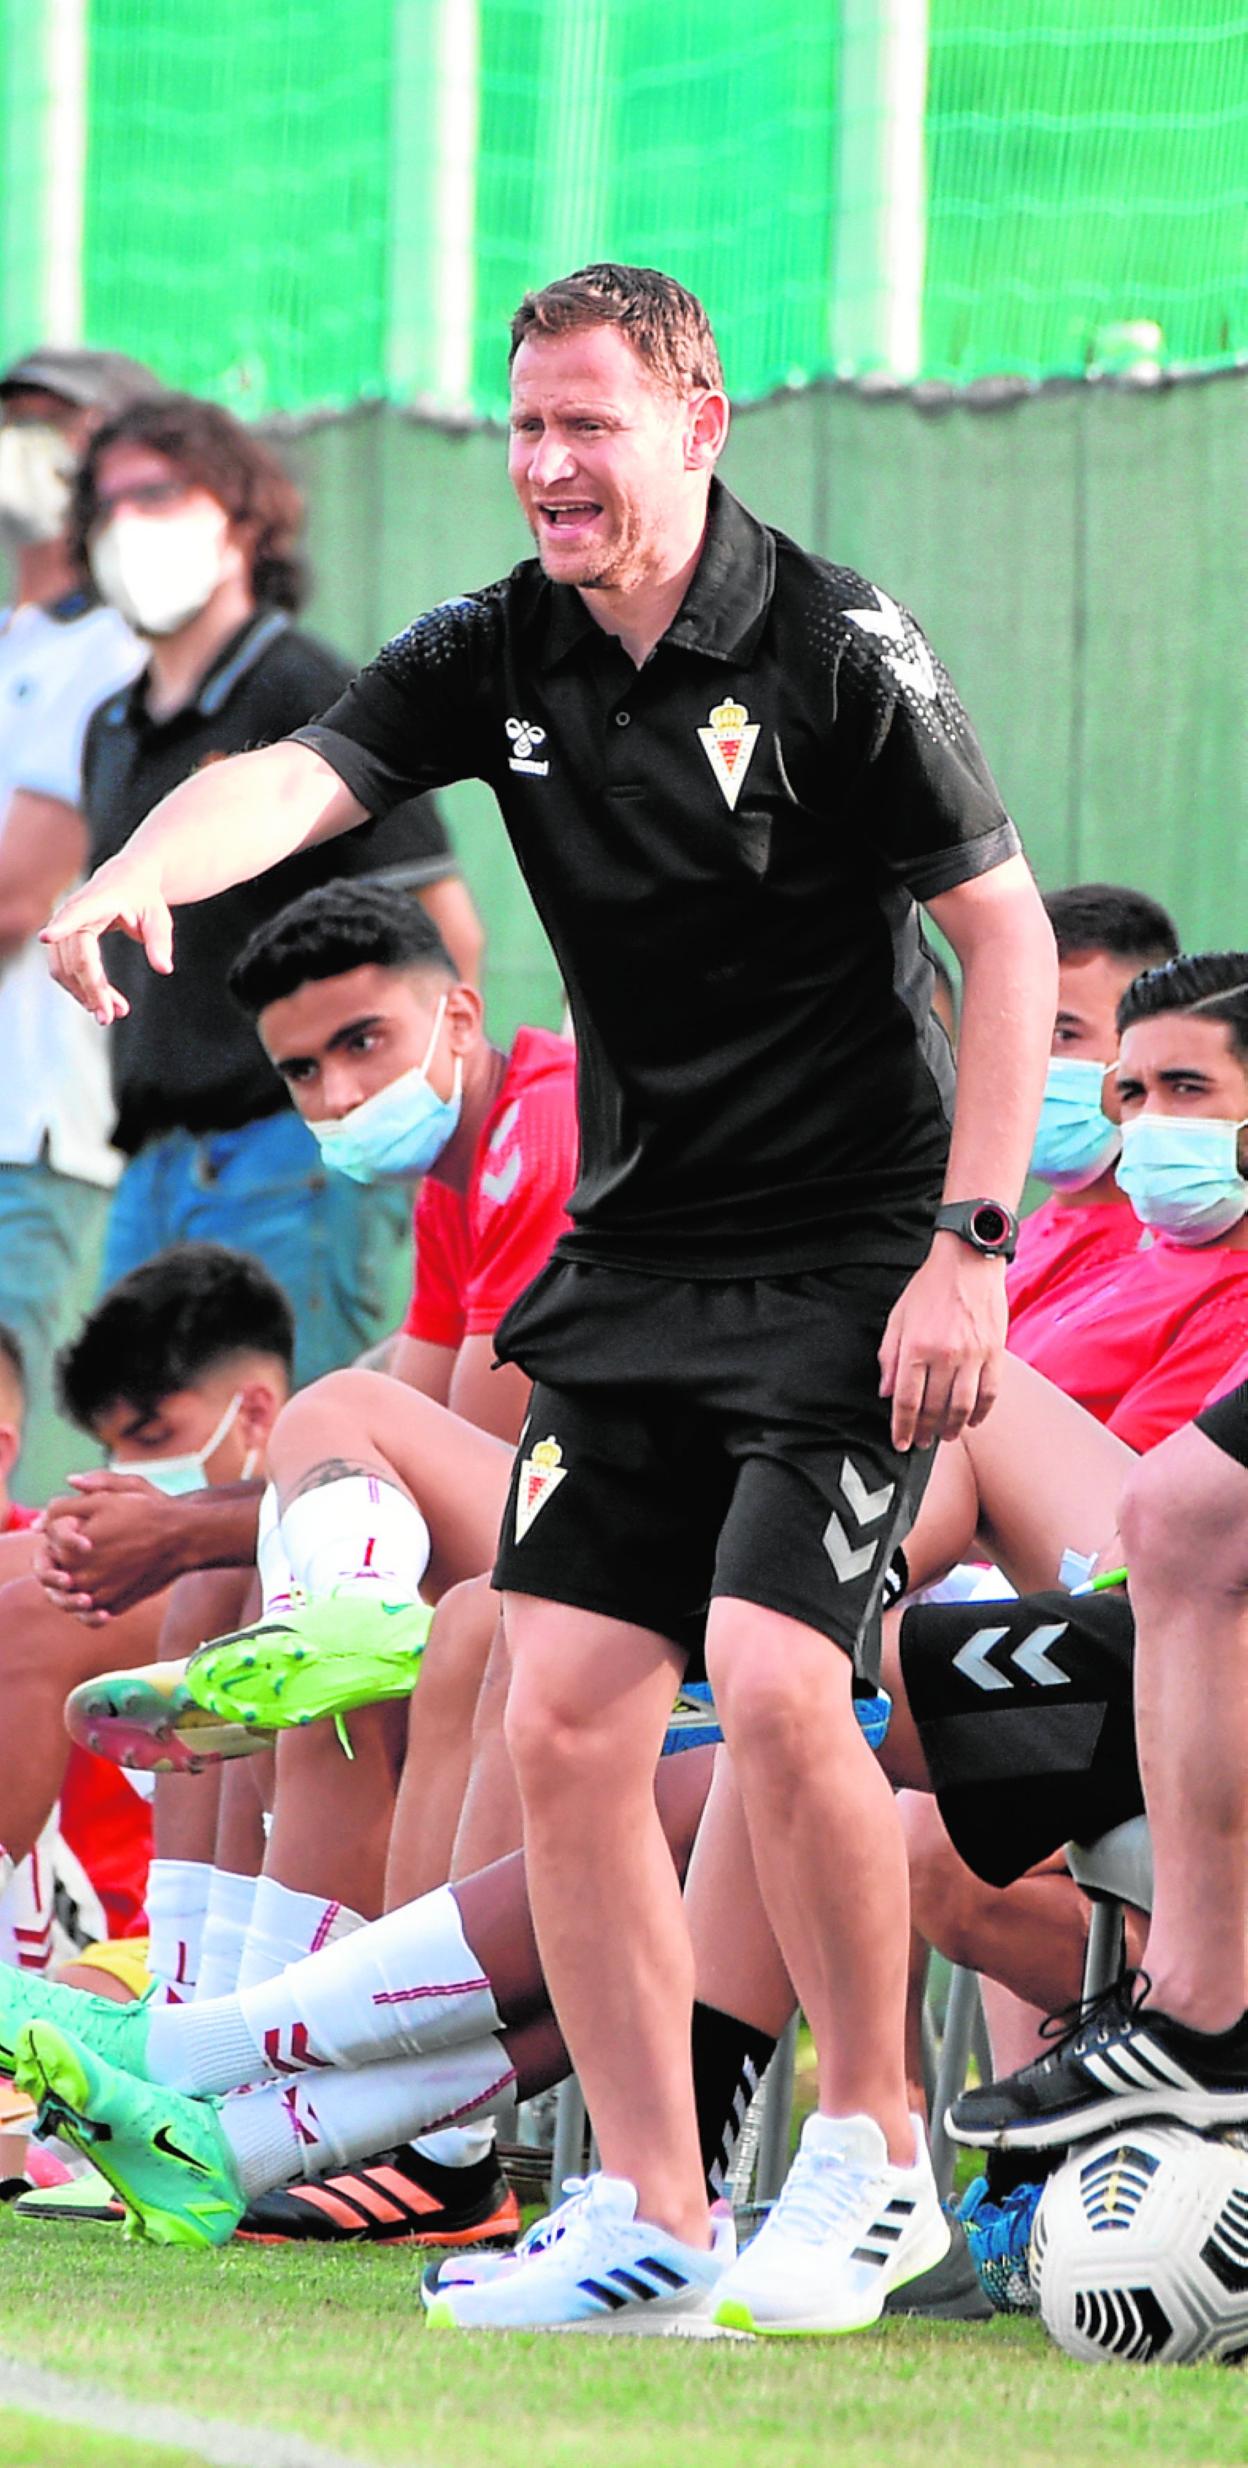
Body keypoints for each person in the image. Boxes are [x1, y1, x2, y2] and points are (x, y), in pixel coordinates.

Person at [40, 261, 1057, 2336]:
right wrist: (142, 864)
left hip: (856, 1256)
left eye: (587, 422)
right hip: (636, 1272)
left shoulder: (837, 642)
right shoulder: (500, 643)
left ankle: (871, 2150)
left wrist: (971, 1250)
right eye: (524, 426)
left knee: (779, 1682)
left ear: (697, 422)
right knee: (575, 1714)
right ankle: (657, 2220)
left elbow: (1013, 942)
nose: (548, 463)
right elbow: (303, 778)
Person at [70, 390, 480, 1385]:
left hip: (289, 1155)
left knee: (299, 1457)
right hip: (155, 1158)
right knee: (153, 1462)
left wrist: (374, 1139)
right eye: (105, 503)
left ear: (244, 516)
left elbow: (444, 932)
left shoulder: (306, 692)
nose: (128, 524)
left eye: (159, 493)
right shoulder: (110, 728)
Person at [0, 345, 162, 1498]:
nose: (22, 440)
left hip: (40, 1130)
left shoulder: (113, 649)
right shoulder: (20, 641)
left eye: (53, 421)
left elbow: (21, 891)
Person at [1006, 952, 1248, 1451]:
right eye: (1133, 1093)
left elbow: (1121, 1502)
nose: (1149, 1118)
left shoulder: (1235, 1299)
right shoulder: (1142, 1263)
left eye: (1185, 1087)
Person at [1007, 881, 1177, 1319]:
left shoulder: (1162, 1257)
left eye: (1065, 1034)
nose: (1033, 1059)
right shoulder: (1009, 1237)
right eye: (1018, 1029)